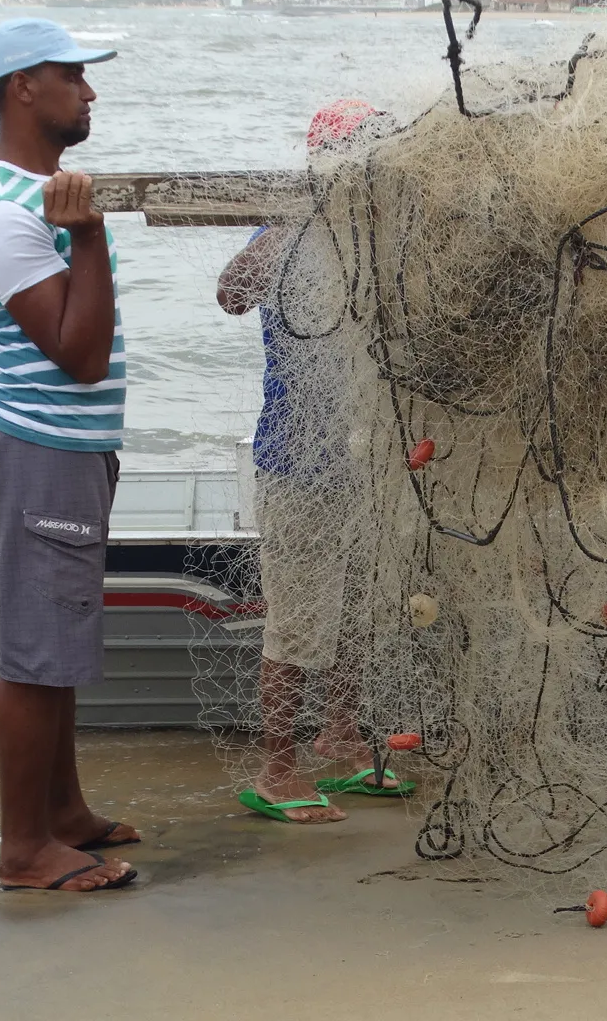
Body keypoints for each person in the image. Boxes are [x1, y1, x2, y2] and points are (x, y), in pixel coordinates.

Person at [0, 18, 136, 892]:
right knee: (34, 654)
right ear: (24, 87)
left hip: (60, 447)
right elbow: (81, 354)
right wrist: (91, 237)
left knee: (54, 638)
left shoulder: (36, 195)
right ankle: (24, 850)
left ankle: (62, 814)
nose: (89, 92)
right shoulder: (5, 214)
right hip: (34, 449)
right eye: (73, 76)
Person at [216, 101, 414, 824]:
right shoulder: (287, 232)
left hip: (366, 466)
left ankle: (341, 735)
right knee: (297, 623)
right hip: (295, 465)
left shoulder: (382, 237)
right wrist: (286, 230)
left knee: (358, 612)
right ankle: (277, 769)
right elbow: (229, 295)